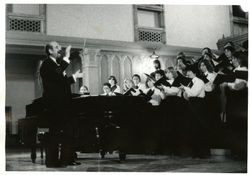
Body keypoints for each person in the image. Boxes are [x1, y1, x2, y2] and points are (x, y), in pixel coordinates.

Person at [40, 41, 81, 167]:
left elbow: (60, 83)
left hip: (63, 104)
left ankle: (66, 159)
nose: (60, 48)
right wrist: (67, 57)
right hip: (54, 105)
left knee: (68, 132)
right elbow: (57, 74)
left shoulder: (56, 65)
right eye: (57, 47)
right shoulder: (47, 64)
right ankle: (52, 162)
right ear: (50, 51)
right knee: (55, 132)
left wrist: (74, 77)